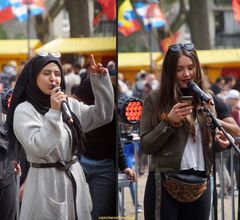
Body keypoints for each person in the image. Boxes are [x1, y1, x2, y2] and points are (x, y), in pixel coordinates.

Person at [6, 52, 114, 220]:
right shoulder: (24, 110)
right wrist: (54, 112)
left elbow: (103, 115)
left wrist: (100, 81)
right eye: (46, 73)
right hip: (45, 183)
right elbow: (39, 147)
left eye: (57, 74)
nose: (53, 79)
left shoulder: (69, 104)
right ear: (34, 77)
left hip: (75, 178)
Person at [140, 43, 231, 220]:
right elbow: (146, 145)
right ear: (169, 71)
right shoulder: (154, 98)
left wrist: (220, 144)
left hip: (200, 184)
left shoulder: (207, 99)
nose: (187, 74)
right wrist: (169, 122)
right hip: (165, 181)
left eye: (190, 68)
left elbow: (205, 145)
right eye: (179, 69)